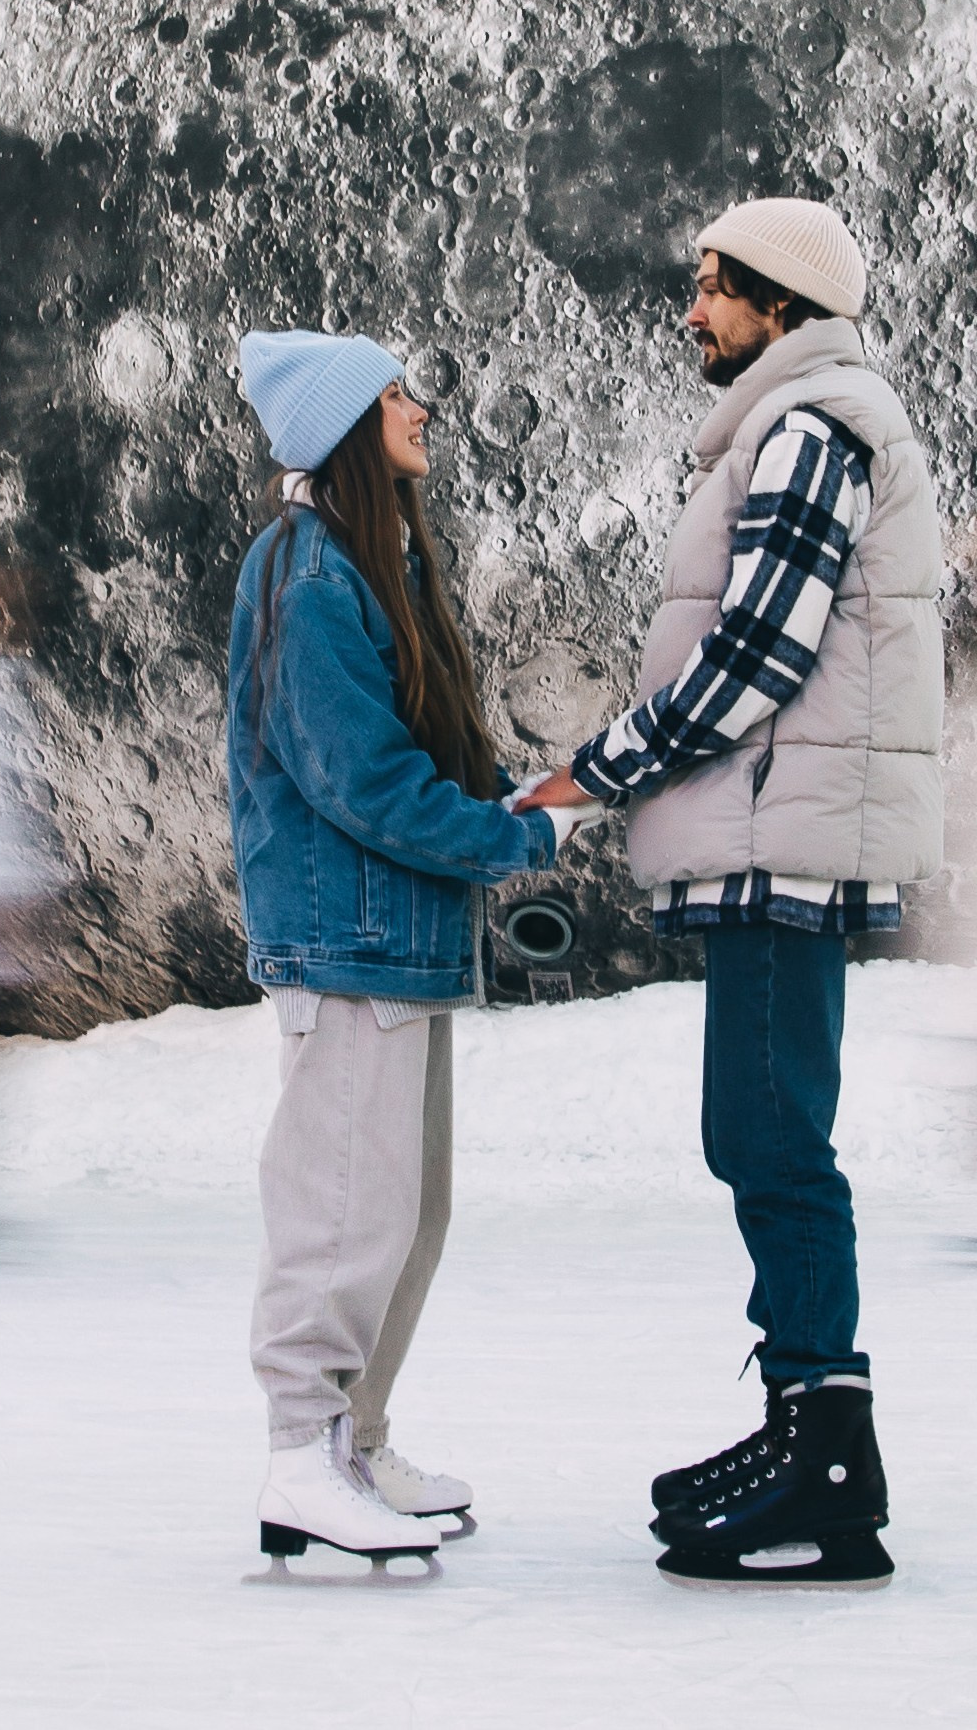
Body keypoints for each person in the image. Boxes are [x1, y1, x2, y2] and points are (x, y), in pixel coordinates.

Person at [518, 200, 943, 1591]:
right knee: (761, 1131)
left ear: (779, 303)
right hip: (777, 826)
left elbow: (755, 654)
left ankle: (824, 1446)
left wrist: (600, 768)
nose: (691, 311)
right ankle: (809, 1427)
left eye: (712, 288)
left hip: (782, 837)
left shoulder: (811, 428)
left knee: (769, 1137)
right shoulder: (795, 424)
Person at [230, 329, 594, 1572]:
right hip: (347, 944)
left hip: (401, 944)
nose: (422, 408)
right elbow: (364, 782)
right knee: (340, 1213)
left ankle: (353, 1442)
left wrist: (527, 799)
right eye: (395, 394)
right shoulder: (306, 572)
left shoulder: (370, 567)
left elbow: (434, 755)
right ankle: (299, 1452)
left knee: (405, 1211)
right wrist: (514, 839)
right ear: (342, 426)